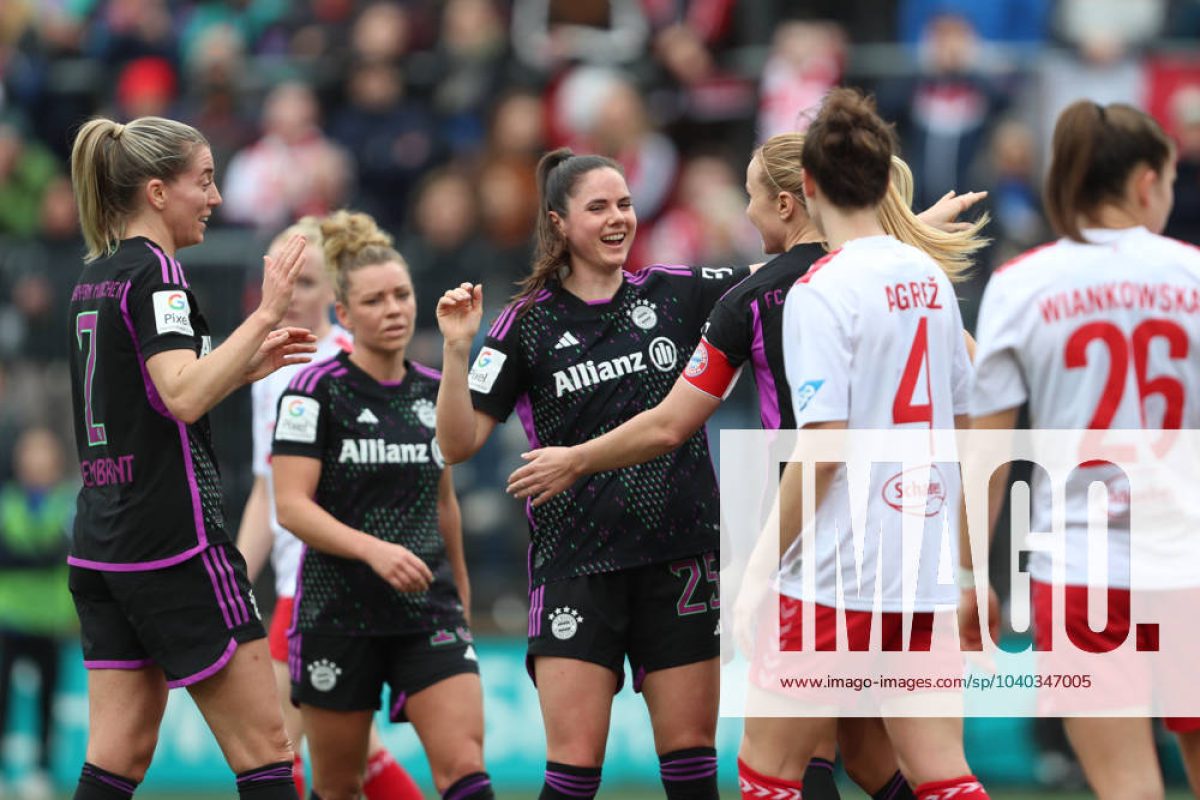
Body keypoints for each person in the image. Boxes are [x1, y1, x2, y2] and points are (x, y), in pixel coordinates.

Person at [505, 134, 988, 799]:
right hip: (913, 541)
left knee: (779, 764)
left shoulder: (760, 299)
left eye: (752, 196)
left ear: (787, 202)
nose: (747, 212)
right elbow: (974, 384)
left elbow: (672, 424)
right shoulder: (910, 279)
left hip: (818, 543)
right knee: (886, 758)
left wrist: (578, 460)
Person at [435, 148, 750, 800]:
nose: (617, 219)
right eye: (598, 207)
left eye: (625, 205)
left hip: (680, 561)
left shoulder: (676, 292)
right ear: (559, 222)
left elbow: (780, 279)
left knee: (693, 771)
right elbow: (457, 444)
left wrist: (880, 229)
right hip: (576, 564)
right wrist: (457, 350)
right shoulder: (525, 324)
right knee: (572, 778)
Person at [739, 88, 988, 800]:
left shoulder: (821, 291)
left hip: (836, 571)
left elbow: (823, 448)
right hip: (920, 568)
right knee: (941, 772)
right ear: (885, 182)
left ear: (808, 186)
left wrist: (758, 572)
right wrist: (965, 569)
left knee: (766, 770)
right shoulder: (929, 279)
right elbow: (969, 430)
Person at [65, 115, 316, 800]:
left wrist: (242, 364)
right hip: (173, 542)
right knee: (268, 753)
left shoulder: (97, 274)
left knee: (117, 755)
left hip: (104, 544)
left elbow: (155, 391)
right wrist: (264, 315)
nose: (215, 197)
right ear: (156, 192)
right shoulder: (158, 273)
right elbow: (181, 395)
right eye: (203, 181)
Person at [964, 99, 1200, 800]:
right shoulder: (1193, 273)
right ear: (1145, 183)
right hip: (1189, 558)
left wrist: (970, 571)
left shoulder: (1020, 283)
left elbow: (987, 452)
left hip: (1078, 567)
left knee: (1126, 788)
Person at [272, 210, 488, 800]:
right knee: (339, 787)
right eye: (374, 300)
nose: (393, 309)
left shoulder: (433, 389)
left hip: (428, 613)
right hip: (337, 615)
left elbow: (445, 505)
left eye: (401, 295)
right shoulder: (313, 391)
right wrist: (375, 551)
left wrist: (462, 599)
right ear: (343, 315)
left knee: (467, 774)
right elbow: (290, 506)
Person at [236, 216, 422, 800]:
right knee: (350, 754)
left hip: (327, 586)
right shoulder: (266, 367)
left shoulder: (350, 365)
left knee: (273, 748)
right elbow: (268, 488)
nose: (290, 293)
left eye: (307, 281)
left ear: (336, 294)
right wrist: (237, 575)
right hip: (294, 583)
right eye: (280, 277)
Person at [0, 427, 77, 800]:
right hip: (9, 617)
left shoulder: (69, 504)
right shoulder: (7, 502)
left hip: (50, 620)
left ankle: (42, 769)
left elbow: (64, 553)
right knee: (3, 698)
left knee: (48, 698)